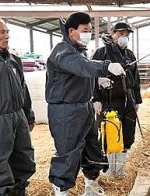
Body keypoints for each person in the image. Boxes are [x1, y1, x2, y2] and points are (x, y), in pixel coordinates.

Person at [45, 12, 125, 196]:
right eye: (85, 30)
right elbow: (79, 66)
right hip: (65, 110)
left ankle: (91, 187)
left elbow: (80, 72)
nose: (88, 34)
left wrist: (97, 80)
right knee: (68, 152)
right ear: (71, 31)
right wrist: (105, 67)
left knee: (91, 148)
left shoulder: (79, 50)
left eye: (90, 30)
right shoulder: (63, 50)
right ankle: (61, 191)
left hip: (84, 106)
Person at [0, 16, 36, 196]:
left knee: (24, 162)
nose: (7, 35)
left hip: (18, 118)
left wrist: (28, 114)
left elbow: (23, 88)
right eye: (2, 32)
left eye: (8, 32)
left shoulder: (14, 59)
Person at [91, 22, 142, 177]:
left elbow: (136, 78)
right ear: (113, 34)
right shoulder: (101, 53)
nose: (124, 37)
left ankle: (119, 169)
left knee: (127, 133)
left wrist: (137, 100)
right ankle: (106, 169)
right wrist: (95, 98)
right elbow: (91, 75)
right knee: (108, 131)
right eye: (121, 34)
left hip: (128, 99)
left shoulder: (130, 55)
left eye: (127, 35)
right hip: (108, 99)